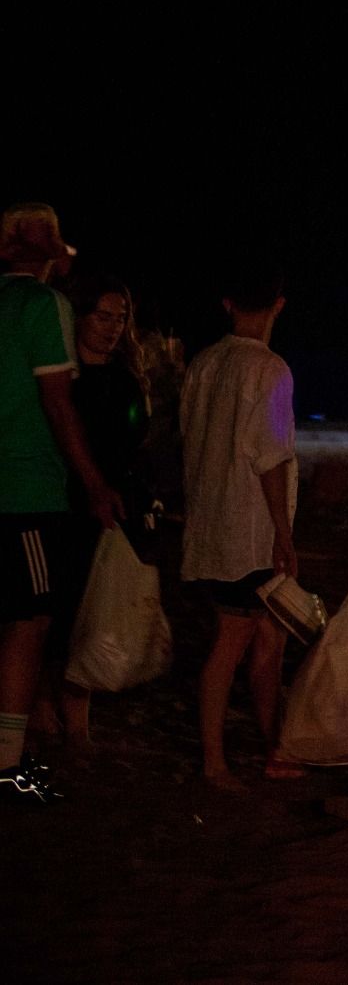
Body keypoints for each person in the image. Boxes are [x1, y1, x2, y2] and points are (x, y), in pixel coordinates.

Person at [0, 203, 121, 804]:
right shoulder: (44, 307)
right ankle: (9, 762)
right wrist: (95, 482)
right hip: (24, 487)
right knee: (29, 621)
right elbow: (56, 403)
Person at [180, 268, 300, 790]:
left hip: (209, 523)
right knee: (233, 644)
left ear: (229, 303)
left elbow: (188, 438)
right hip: (246, 533)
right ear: (278, 305)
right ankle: (215, 762)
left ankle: (274, 747)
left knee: (268, 639)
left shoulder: (204, 364)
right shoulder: (270, 370)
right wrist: (283, 532)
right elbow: (270, 458)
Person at [36, 275, 153, 744]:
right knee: (56, 607)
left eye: (120, 319)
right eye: (103, 317)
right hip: (65, 503)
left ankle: (76, 710)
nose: (112, 328)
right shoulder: (63, 380)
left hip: (111, 505)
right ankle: (46, 701)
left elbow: (135, 441)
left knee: (94, 606)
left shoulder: (125, 379)